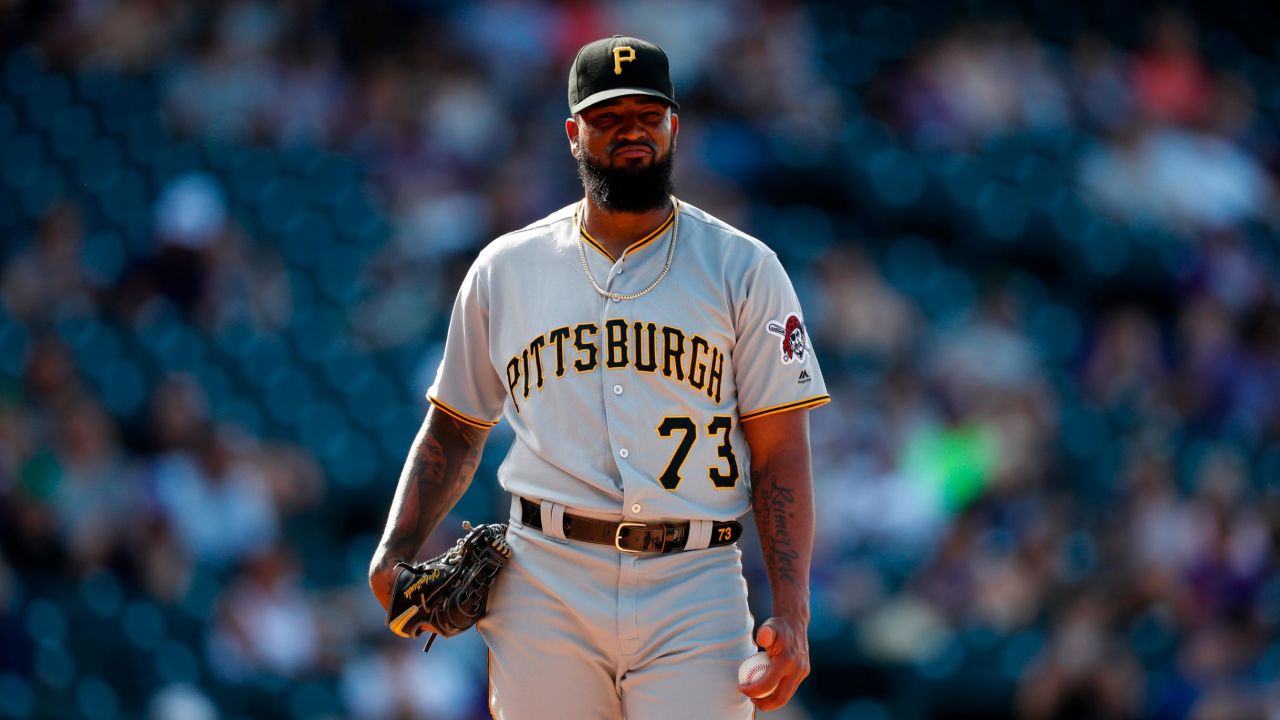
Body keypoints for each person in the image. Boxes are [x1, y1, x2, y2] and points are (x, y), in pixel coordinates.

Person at [369, 35, 830, 718]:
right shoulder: (506, 269)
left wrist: (791, 612)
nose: (632, 132)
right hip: (544, 577)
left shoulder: (744, 268)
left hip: (694, 581)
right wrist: (395, 549)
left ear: (674, 125)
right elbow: (456, 426)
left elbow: (780, 450)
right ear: (573, 133)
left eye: (648, 115)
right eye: (609, 118)